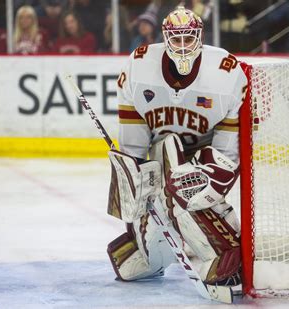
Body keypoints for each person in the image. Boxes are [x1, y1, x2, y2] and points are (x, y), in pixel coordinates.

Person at [107, 6, 247, 287]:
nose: (183, 47)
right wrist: (136, 186)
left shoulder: (226, 72)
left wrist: (203, 185)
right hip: (162, 157)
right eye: (176, 39)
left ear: (200, 38)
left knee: (182, 178)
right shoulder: (139, 66)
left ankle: (225, 250)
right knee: (133, 267)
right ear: (165, 38)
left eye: (189, 39)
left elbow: (228, 155)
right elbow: (133, 148)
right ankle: (153, 248)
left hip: (204, 162)